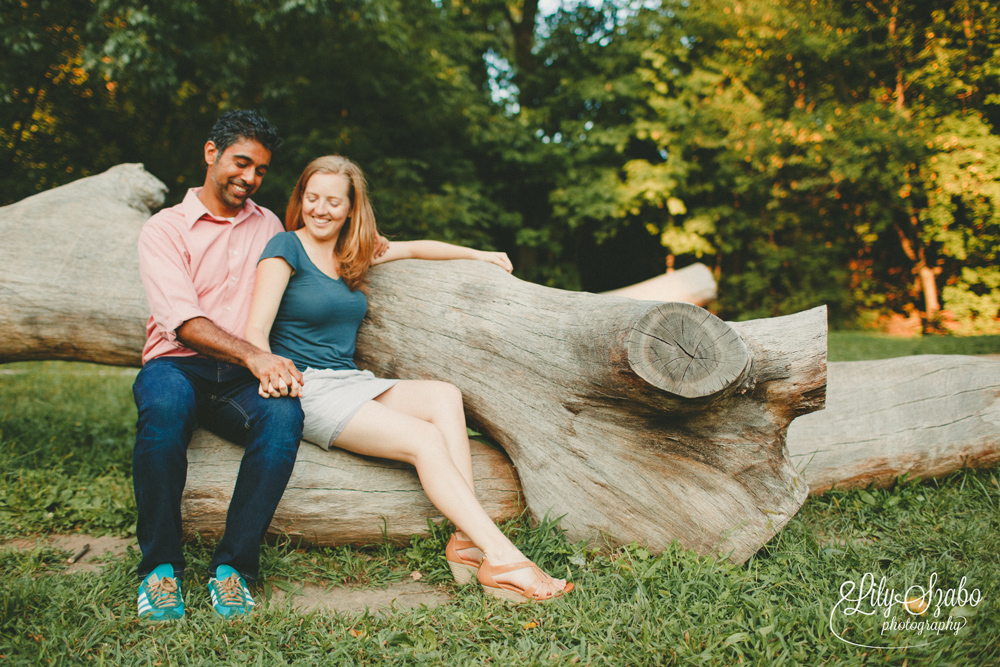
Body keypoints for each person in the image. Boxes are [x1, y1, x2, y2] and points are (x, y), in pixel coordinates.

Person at [245, 155, 574, 603]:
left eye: (333, 202)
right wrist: (269, 372)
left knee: (444, 396)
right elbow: (255, 333)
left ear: (351, 208)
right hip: (309, 388)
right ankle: (503, 559)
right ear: (300, 198)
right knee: (424, 439)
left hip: (350, 381)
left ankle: (466, 541)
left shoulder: (352, 251)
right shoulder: (285, 247)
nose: (320, 209)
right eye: (312, 197)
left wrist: (478, 255)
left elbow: (418, 248)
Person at [133, 110, 308, 621]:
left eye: (260, 170)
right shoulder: (164, 229)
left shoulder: (269, 225)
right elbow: (183, 322)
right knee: (163, 408)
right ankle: (160, 569)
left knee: (284, 416)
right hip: (177, 366)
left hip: (238, 380)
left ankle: (232, 570)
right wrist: (255, 354)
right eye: (241, 162)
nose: (250, 178)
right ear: (211, 154)